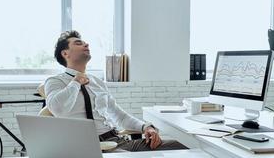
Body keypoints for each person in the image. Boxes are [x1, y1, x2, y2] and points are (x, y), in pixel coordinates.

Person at [44, 30, 187, 151]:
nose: (86, 44)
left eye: (85, 42)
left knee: (184, 146)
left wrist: (146, 127)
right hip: (91, 148)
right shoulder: (55, 82)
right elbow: (58, 109)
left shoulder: (97, 82)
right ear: (65, 53)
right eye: (78, 43)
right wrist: (75, 82)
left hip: (117, 140)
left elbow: (120, 117)